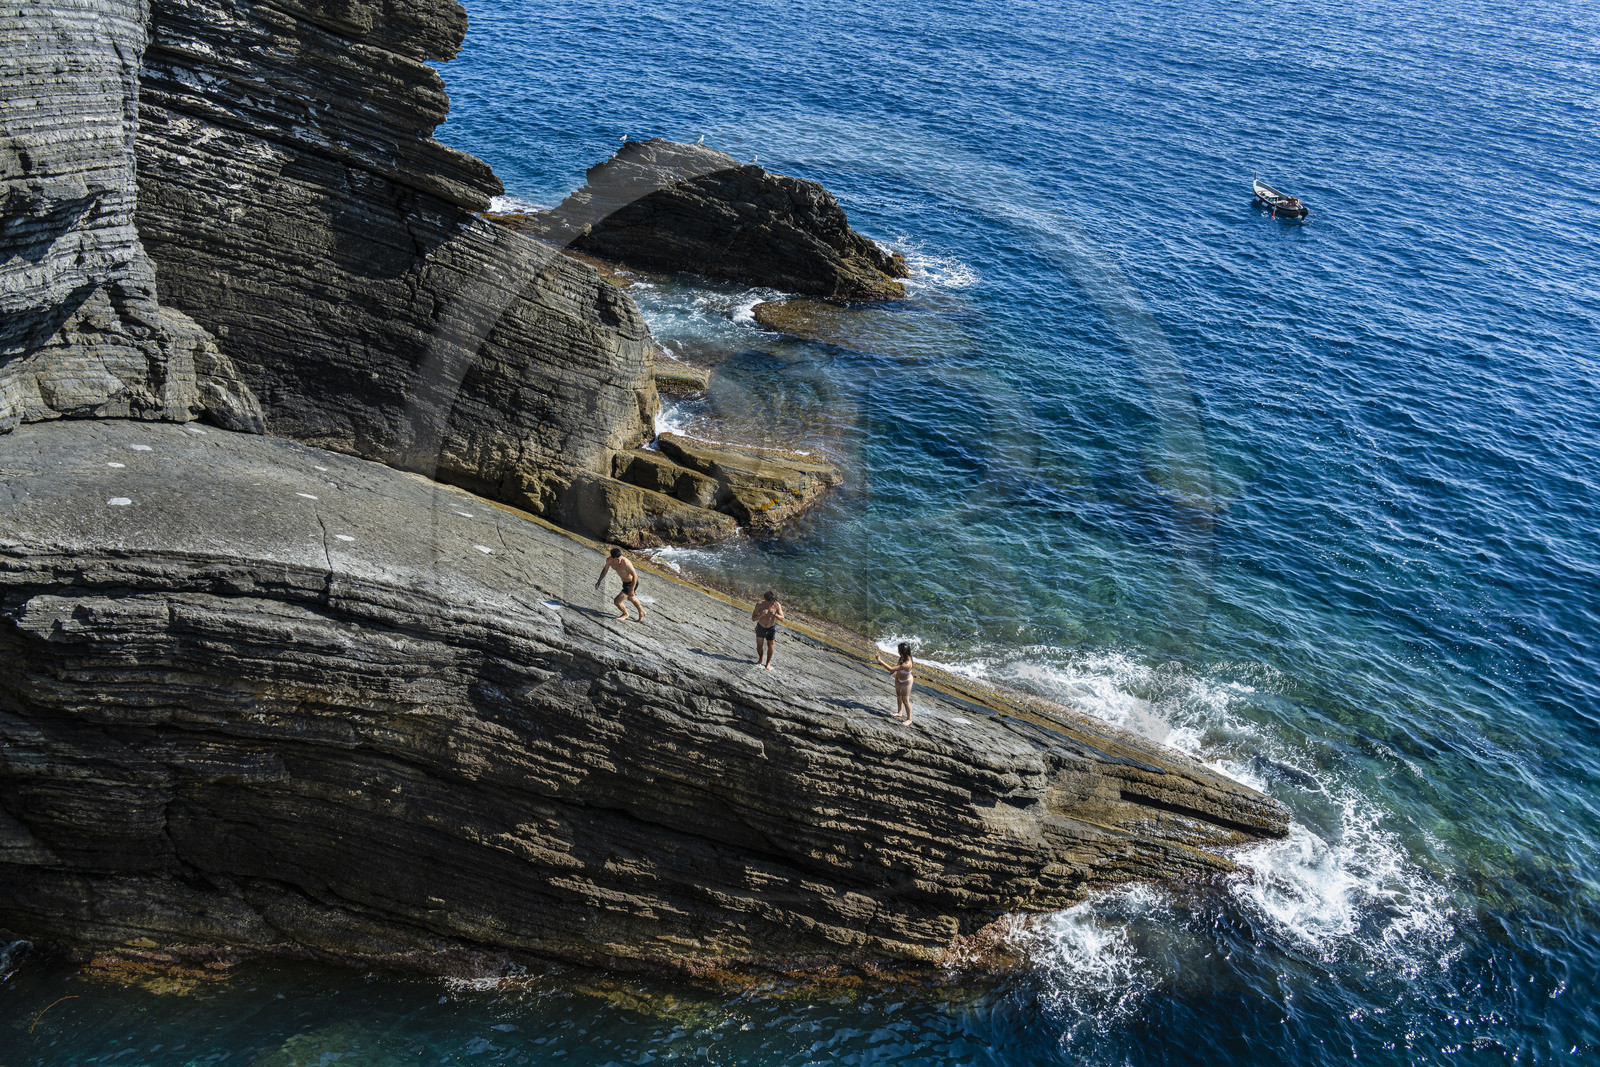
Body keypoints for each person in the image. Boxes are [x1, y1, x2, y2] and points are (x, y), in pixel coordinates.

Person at [595, 547, 645, 622]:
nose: (619, 561)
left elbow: (635, 576)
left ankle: (626, 614)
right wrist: (599, 581)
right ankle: (642, 612)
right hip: (625, 583)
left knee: (617, 601)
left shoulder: (626, 563)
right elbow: (605, 570)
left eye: (620, 558)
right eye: (617, 559)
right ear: (612, 558)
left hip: (631, 583)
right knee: (631, 598)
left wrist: (631, 589)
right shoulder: (609, 560)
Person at [874, 642, 915, 724]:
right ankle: (900, 712)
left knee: (905, 700)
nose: (897, 651)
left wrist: (880, 660)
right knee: (899, 695)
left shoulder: (907, 663)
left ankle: (909, 719)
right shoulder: (902, 657)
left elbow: (891, 668)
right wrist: (894, 671)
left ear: (903, 652)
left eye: (899, 650)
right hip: (898, 678)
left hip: (906, 682)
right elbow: (896, 667)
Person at [751, 591, 784, 669]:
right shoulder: (759, 605)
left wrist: (774, 614)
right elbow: (753, 618)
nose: (772, 604)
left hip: (771, 628)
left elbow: (782, 618)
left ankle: (768, 662)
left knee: (770, 645)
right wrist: (761, 615)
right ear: (765, 600)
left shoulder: (777, 605)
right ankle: (760, 658)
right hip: (760, 627)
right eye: (770, 602)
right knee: (759, 646)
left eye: (773, 601)